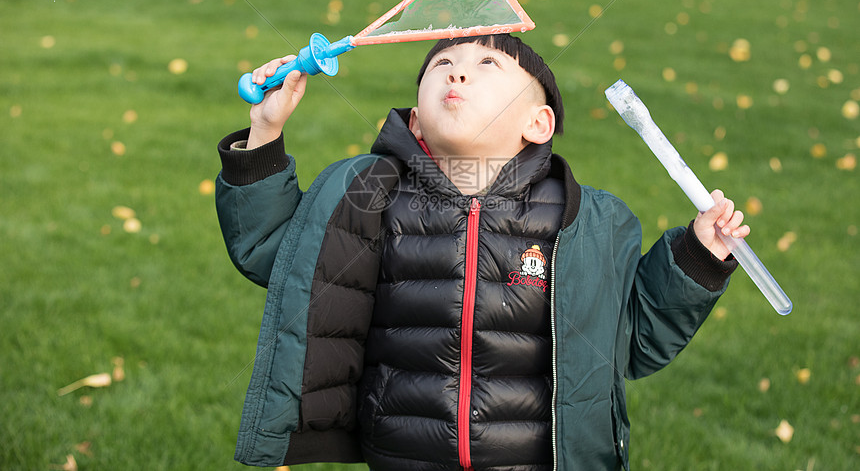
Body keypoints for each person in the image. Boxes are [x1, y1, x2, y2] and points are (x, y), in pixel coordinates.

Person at [216, 34, 749, 471]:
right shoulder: (370, 196)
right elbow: (277, 255)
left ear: (536, 124)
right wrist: (266, 130)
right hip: (403, 455)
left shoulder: (585, 221)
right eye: (442, 62)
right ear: (417, 121)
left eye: (488, 62)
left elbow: (632, 342)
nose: (457, 72)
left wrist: (696, 258)